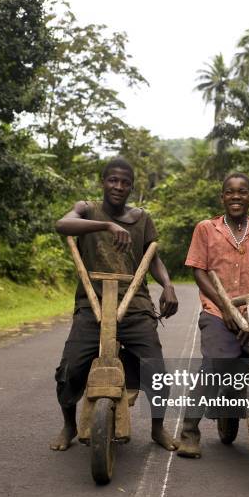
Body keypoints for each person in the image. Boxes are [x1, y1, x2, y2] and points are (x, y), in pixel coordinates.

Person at [50, 157, 179, 452]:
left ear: (131, 187)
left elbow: (153, 257)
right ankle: (69, 425)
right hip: (93, 305)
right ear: (103, 182)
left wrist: (169, 286)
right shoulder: (86, 209)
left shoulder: (142, 218)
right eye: (113, 180)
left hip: (135, 305)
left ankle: (158, 428)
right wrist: (107, 225)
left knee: (156, 371)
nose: (118, 186)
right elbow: (62, 224)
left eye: (125, 182)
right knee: (69, 369)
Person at [177, 171, 249, 458]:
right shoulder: (206, 228)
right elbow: (199, 271)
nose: (236, 196)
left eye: (242, 192)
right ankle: (190, 432)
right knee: (216, 365)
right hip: (218, 311)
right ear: (222, 197)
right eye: (230, 191)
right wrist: (227, 308)